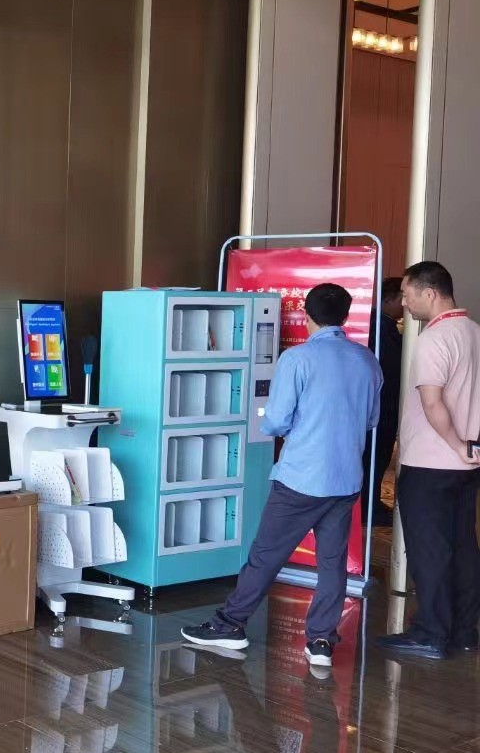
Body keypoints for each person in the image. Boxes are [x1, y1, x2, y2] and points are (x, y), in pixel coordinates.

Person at [183, 284, 382, 667]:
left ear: (306, 315)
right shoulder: (366, 360)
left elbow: (275, 421)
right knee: (332, 562)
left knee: (266, 555)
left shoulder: (297, 359)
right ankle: (321, 641)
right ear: (345, 315)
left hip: (301, 478)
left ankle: (230, 625)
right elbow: (371, 419)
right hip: (345, 480)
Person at [377, 261, 480, 660]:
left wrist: (456, 444)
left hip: (432, 463)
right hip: (467, 465)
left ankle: (430, 633)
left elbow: (433, 402)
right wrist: (468, 447)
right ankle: (464, 631)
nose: (404, 303)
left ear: (430, 293)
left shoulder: (435, 338)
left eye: (407, 294)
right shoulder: (474, 332)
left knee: (429, 550)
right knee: (463, 546)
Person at [367, 277, 404, 526]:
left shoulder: (384, 325)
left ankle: (372, 503)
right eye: (402, 299)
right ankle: (370, 507)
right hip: (382, 405)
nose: (405, 305)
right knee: (376, 456)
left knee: (378, 457)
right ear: (388, 299)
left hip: (382, 405)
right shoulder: (379, 329)